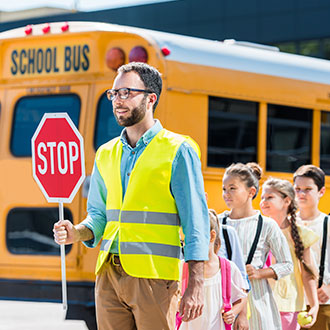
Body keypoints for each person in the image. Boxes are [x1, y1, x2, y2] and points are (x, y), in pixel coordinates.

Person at [53, 62, 210, 330]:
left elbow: (196, 222)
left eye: (126, 92)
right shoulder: (105, 153)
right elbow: (99, 216)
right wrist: (76, 232)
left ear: (151, 99)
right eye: (113, 94)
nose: (117, 101)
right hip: (108, 276)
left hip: (154, 277)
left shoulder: (179, 150)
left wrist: (196, 283)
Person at [218, 162, 293, 330]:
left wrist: (259, 273)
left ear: (251, 192)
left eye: (232, 188)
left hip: (257, 301)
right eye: (224, 189)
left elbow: (287, 264)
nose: (226, 194)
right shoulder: (218, 222)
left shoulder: (266, 225)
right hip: (223, 301)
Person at [260, 178, 319, 329]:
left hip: (289, 305)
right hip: (259, 302)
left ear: (286, 201)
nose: (263, 201)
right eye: (262, 198)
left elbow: (307, 274)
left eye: (270, 197)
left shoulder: (301, 234)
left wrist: (314, 305)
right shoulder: (256, 229)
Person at [180, 209, 247, 330]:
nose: (188, 244)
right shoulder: (182, 267)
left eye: (194, 239)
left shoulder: (228, 268)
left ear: (211, 236)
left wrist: (232, 312)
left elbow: (242, 298)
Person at [294, 165, 330, 329]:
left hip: (323, 302)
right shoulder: (287, 222)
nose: (301, 194)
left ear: (321, 192)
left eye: (308, 189)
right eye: (297, 189)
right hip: (292, 303)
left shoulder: (326, 224)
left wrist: (329, 288)